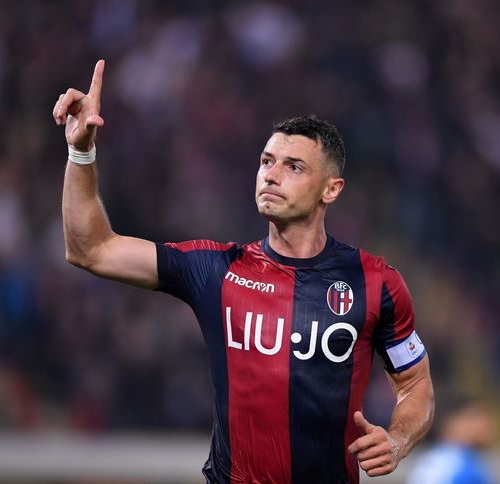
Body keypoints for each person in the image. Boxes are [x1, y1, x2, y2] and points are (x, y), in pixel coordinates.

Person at [52, 60, 434, 484]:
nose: (271, 175)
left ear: (332, 189)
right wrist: (80, 152)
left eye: (293, 167)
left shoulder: (376, 282)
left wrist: (397, 440)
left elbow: (416, 386)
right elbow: (91, 249)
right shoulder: (216, 269)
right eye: (266, 160)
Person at [406, 393, 496, 484]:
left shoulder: (469, 461)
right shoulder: (446, 466)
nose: (486, 422)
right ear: (451, 423)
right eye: (476, 415)